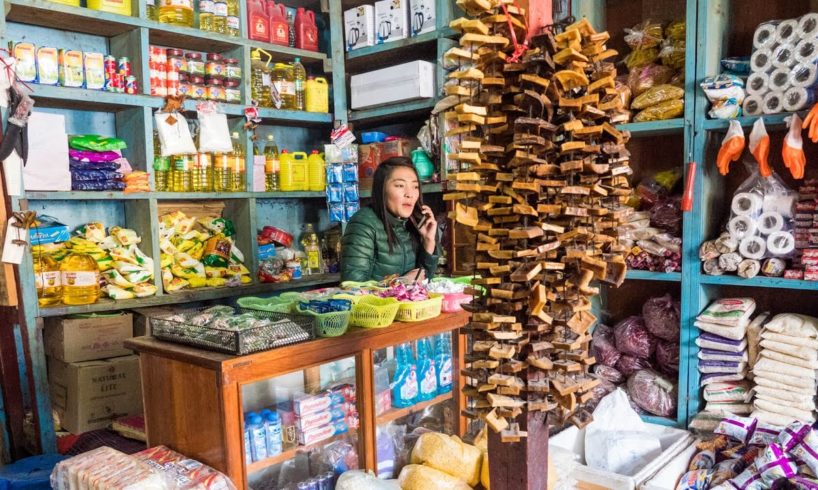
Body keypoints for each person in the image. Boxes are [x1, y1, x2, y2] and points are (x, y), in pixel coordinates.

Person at [341, 157, 440, 282]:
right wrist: (401, 283)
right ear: (382, 190)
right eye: (400, 185)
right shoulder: (363, 224)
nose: (410, 194)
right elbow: (351, 288)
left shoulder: (410, 223)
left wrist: (428, 241)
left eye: (415, 187)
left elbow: (423, 282)